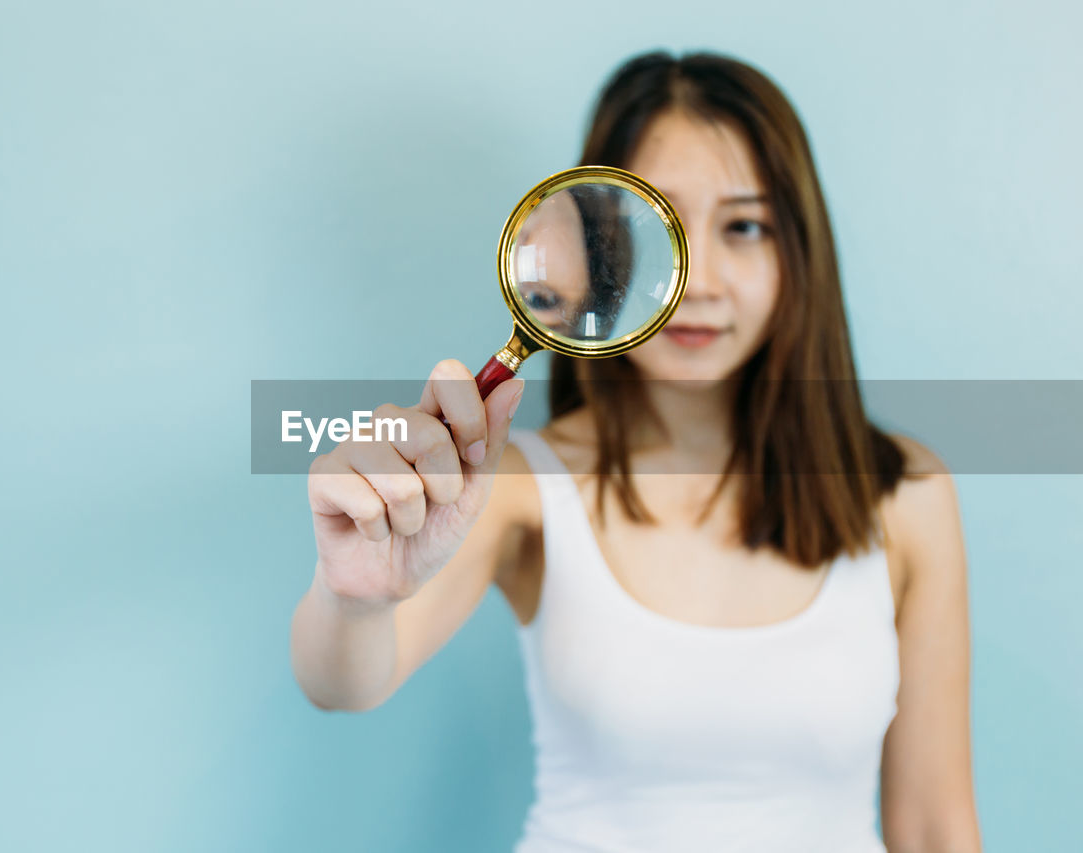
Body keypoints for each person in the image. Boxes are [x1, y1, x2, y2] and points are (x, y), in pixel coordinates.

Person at [291, 50, 981, 852]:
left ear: (800, 253)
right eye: (658, 232)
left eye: (745, 226)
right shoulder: (519, 490)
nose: (698, 280)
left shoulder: (906, 493)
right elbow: (343, 681)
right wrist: (354, 595)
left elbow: (936, 827)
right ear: (593, 253)